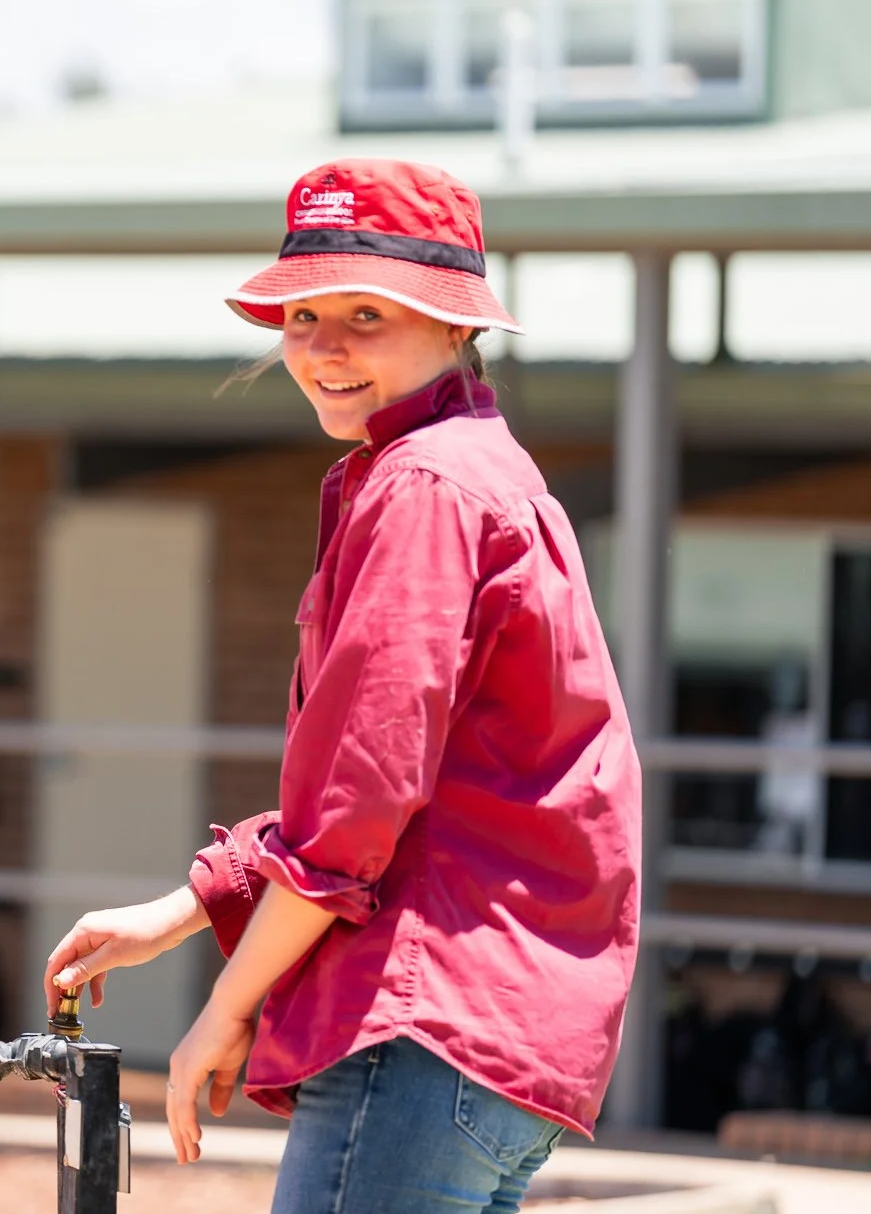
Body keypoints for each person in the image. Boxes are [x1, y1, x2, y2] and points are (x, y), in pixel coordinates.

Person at [41, 160, 642, 1214]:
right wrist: (184, 910)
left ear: (455, 325)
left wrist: (226, 1006)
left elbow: (359, 801)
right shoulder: (481, 471)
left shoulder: (420, 486)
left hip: (421, 1012)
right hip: (506, 1032)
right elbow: (415, 780)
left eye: (366, 313)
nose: (322, 346)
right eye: (300, 314)